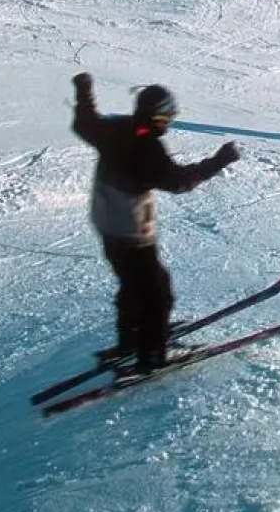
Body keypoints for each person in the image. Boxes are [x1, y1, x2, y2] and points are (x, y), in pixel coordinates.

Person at [70, 72, 240, 373]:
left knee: (131, 283)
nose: (169, 122)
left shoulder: (117, 128)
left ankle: (130, 340)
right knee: (156, 291)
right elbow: (177, 181)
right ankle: (152, 352)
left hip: (106, 222)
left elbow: (84, 124)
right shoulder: (147, 146)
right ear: (157, 116)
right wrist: (219, 161)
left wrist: (84, 92)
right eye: (167, 117)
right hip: (130, 230)